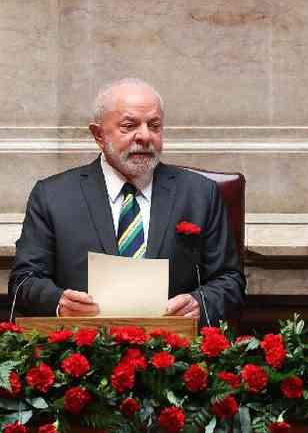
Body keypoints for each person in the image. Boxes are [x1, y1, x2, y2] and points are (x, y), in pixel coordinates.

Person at [8, 78, 245, 326]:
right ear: (98, 134)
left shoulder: (200, 194)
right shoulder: (53, 196)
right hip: (81, 351)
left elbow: (230, 280)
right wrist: (58, 302)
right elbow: (25, 280)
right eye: (129, 125)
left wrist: (199, 303)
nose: (144, 136)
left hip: (174, 352)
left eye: (154, 126)